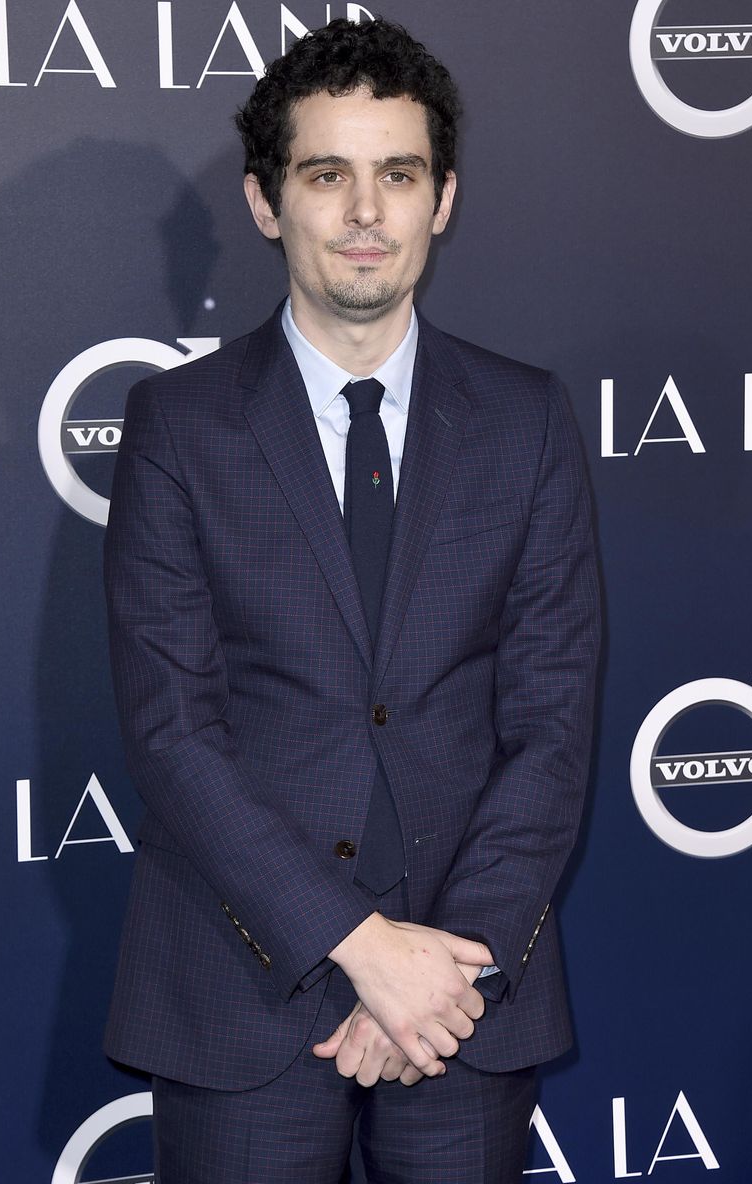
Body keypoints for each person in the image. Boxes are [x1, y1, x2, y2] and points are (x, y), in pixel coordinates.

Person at [103, 16, 600, 1183]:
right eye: (328, 174)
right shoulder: (177, 428)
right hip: (241, 994)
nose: (366, 212)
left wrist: (441, 967)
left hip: (458, 1006)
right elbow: (173, 732)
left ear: (443, 199)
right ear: (267, 202)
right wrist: (358, 945)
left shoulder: (526, 420)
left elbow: (552, 721)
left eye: (398, 174)